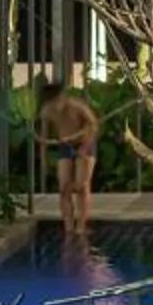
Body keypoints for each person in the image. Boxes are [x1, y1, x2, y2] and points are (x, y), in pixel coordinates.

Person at [35, 76, 100, 233]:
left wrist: (84, 148)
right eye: (51, 103)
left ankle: (81, 226)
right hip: (65, 146)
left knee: (81, 186)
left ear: (62, 97)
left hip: (85, 144)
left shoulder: (77, 107)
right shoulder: (46, 111)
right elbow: (44, 138)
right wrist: (43, 158)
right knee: (64, 187)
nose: (54, 106)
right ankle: (69, 226)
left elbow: (93, 127)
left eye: (56, 101)